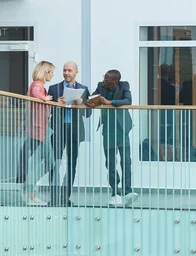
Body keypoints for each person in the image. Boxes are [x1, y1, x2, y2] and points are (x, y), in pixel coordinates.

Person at [89, 70, 138, 206]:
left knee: (126, 160)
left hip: (122, 128)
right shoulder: (100, 86)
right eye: (104, 78)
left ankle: (127, 191)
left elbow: (128, 101)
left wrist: (110, 102)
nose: (104, 81)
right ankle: (115, 192)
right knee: (110, 161)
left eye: (107, 79)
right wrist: (91, 102)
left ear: (115, 81)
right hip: (108, 128)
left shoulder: (124, 86)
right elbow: (91, 98)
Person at [48, 62, 91, 206]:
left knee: (71, 164)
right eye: (64, 70)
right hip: (58, 129)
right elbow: (47, 110)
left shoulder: (84, 89)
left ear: (76, 72)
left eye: (69, 70)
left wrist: (81, 104)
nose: (66, 73)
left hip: (74, 130)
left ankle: (65, 197)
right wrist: (57, 104)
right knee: (54, 163)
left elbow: (88, 113)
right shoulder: (54, 88)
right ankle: (54, 198)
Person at [22, 61, 55, 206]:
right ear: (45, 72)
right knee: (40, 162)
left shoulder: (40, 85)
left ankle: (29, 190)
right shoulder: (37, 84)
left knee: (49, 162)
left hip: (42, 129)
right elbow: (35, 93)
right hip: (39, 130)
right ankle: (29, 193)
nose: (52, 75)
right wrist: (45, 98)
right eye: (51, 72)